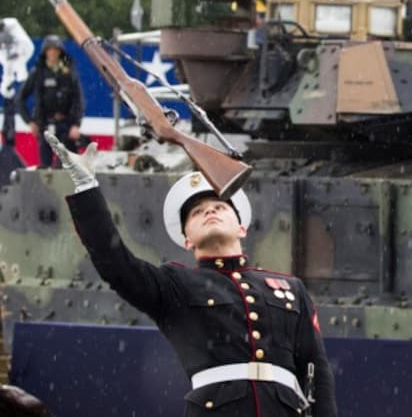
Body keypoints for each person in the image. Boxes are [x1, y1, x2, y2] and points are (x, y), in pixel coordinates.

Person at [44, 132, 337, 417]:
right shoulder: (176, 286)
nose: (209, 212)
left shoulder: (290, 288)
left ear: (242, 227)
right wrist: (87, 188)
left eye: (220, 207)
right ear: (187, 239)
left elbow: (316, 371)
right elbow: (117, 264)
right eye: (197, 213)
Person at [16, 35, 84, 168]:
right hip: (45, 124)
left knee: (66, 166)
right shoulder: (38, 72)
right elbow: (20, 98)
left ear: (60, 52)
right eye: (49, 50)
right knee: (45, 167)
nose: (52, 53)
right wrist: (29, 121)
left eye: (55, 50)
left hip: (65, 125)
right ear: (45, 52)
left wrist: (76, 124)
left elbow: (78, 99)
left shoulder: (68, 72)